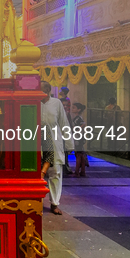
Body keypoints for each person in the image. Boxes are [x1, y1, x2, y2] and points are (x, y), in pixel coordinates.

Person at [40, 82, 73, 214]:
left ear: (47, 90)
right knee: (39, 173)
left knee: (55, 174)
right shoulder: (34, 103)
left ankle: (54, 203)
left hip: (54, 142)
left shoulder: (56, 103)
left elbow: (64, 123)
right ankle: (36, 202)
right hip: (38, 143)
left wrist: (69, 144)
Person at [72, 102, 87, 177]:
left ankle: (77, 171)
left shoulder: (78, 118)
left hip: (78, 138)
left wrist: (77, 130)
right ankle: (82, 171)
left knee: (78, 154)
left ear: (78, 109)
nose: (72, 109)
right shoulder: (77, 118)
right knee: (81, 154)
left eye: (74, 108)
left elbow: (83, 124)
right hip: (79, 137)